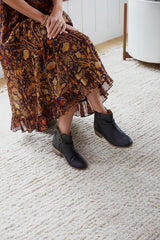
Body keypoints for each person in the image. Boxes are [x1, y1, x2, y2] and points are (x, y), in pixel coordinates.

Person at [0, 0, 133, 170]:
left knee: (79, 42)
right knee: (67, 49)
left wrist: (57, 10)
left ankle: (65, 136)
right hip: (17, 22)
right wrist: (44, 19)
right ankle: (101, 119)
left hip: (51, 14)